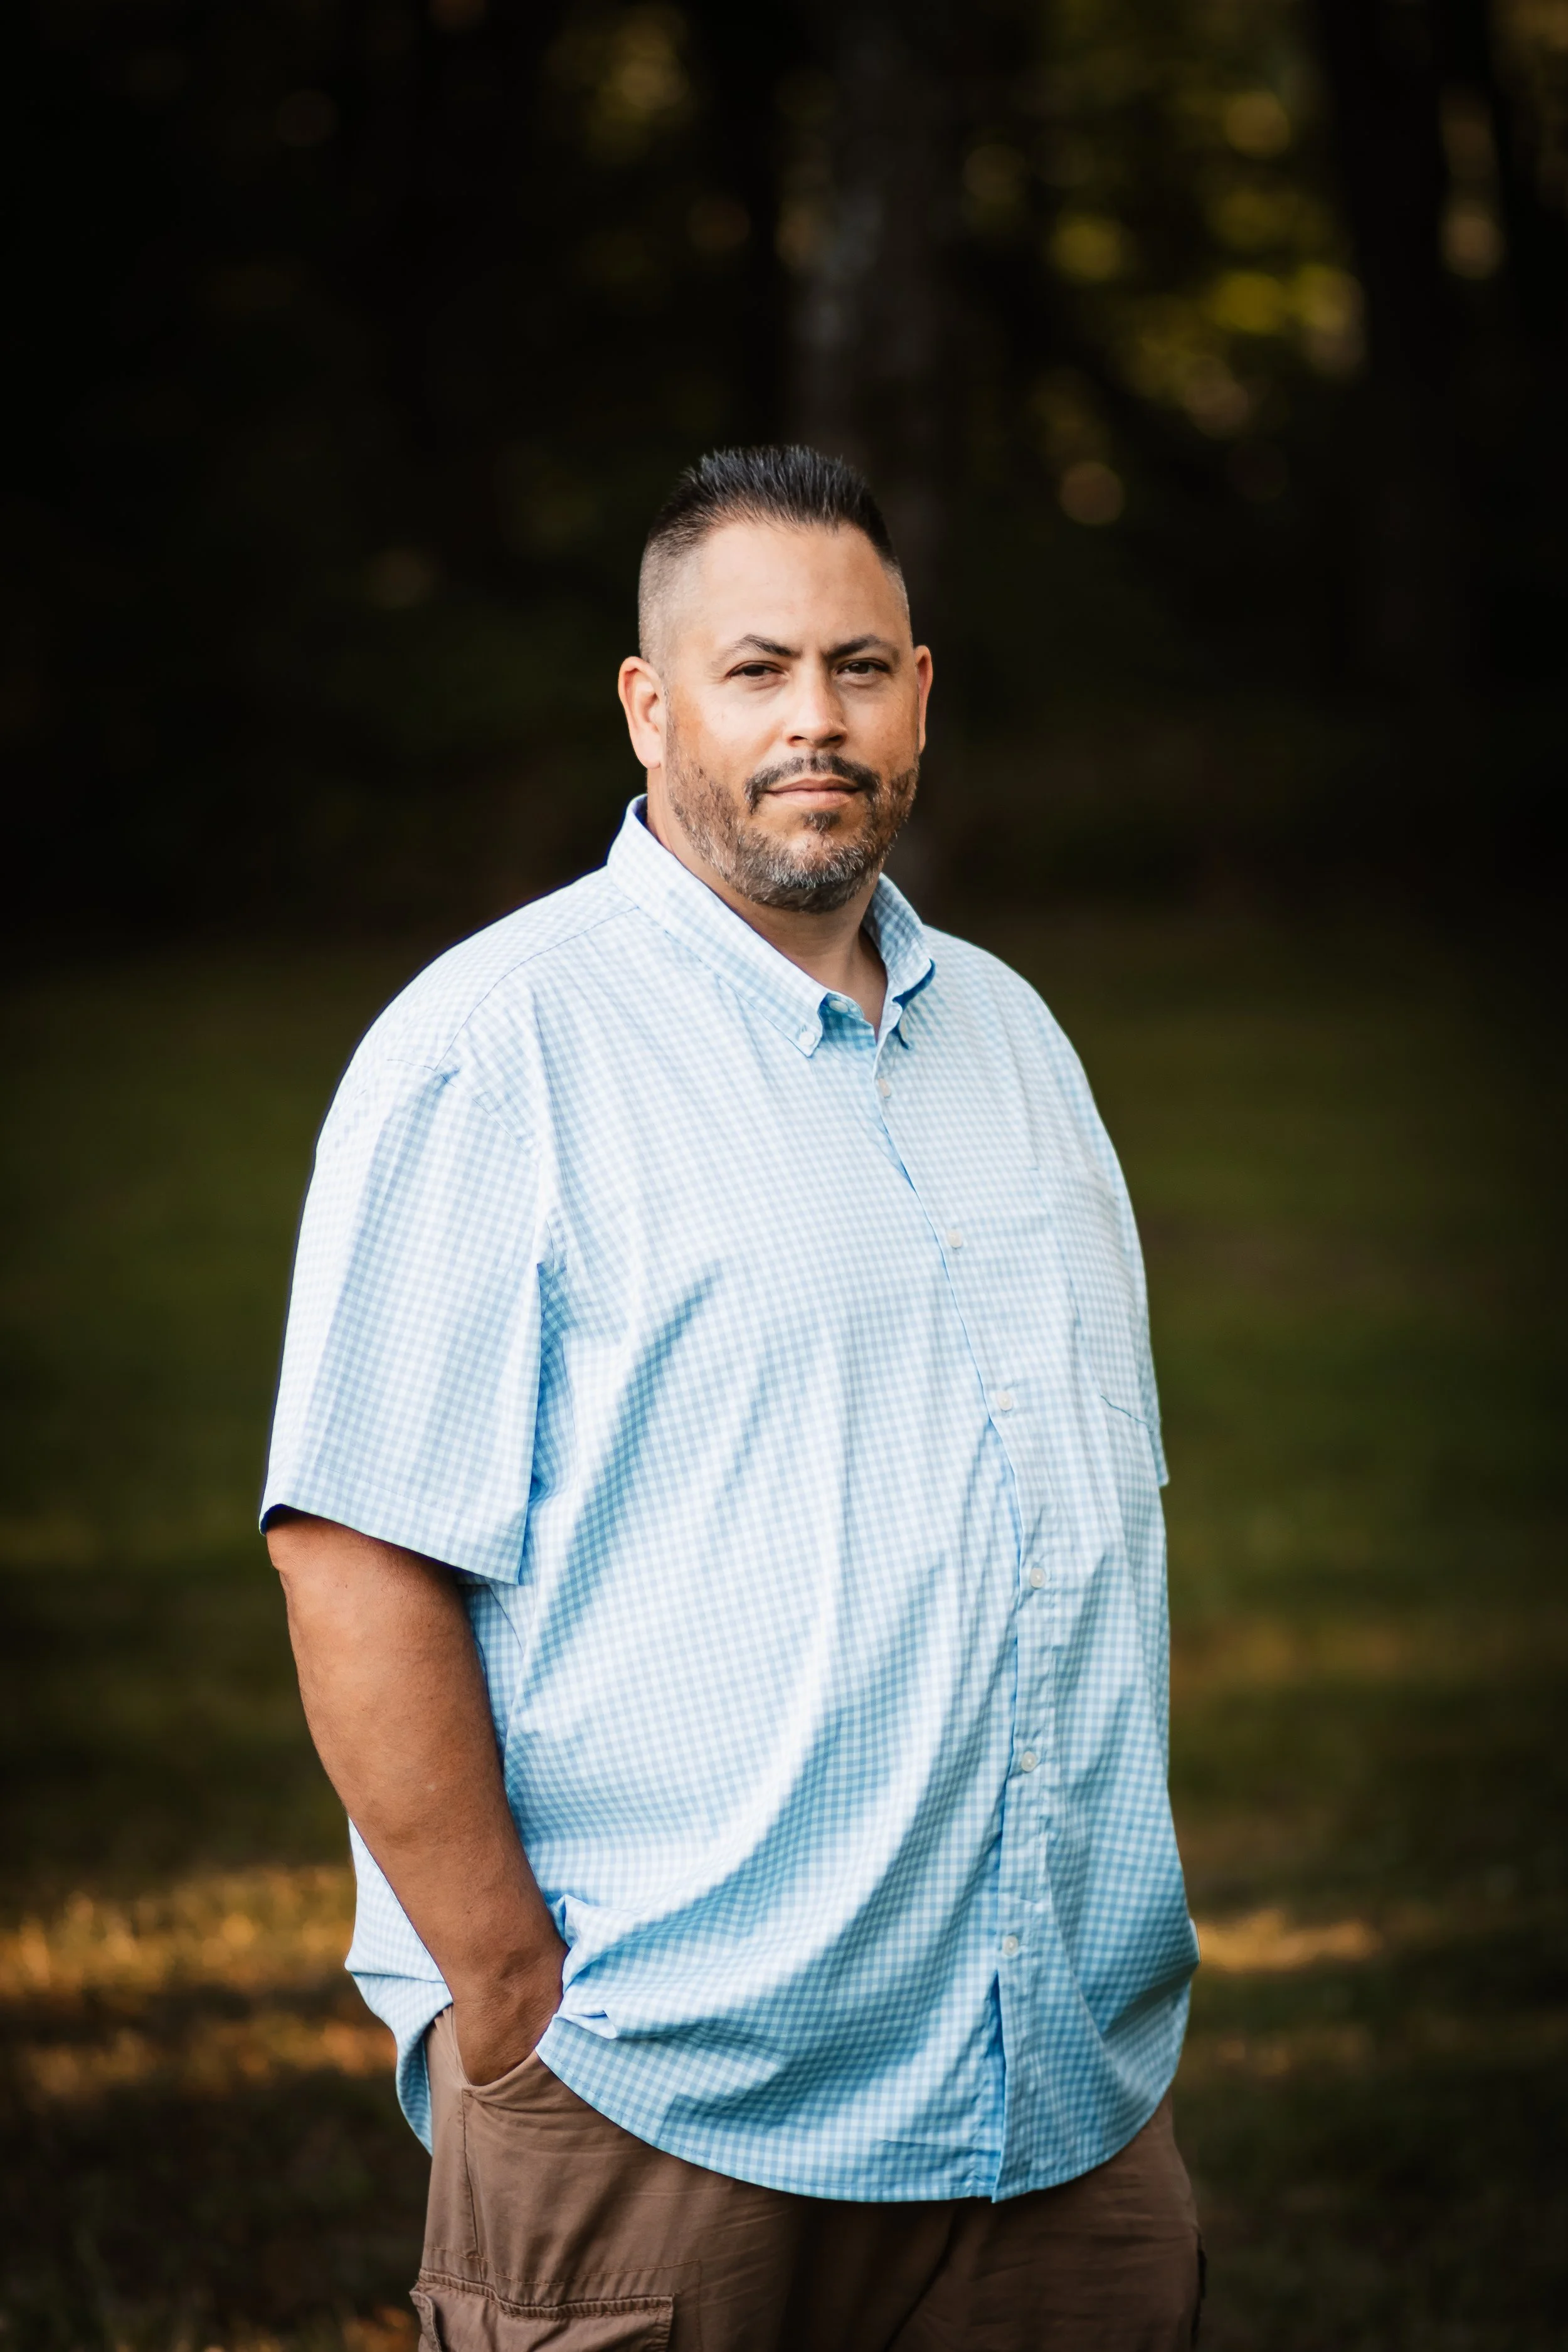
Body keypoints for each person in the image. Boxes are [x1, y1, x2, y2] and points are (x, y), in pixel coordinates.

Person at [263, 445, 1204, 2351]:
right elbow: (355, 1555)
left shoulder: (1011, 1035)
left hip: (1058, 2104)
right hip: (667, 2101)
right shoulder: (497, 1043)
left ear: (920, 697)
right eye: (754, 669)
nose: (814, 721)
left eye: (859, 669)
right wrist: (511, 2004)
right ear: (649, 701)